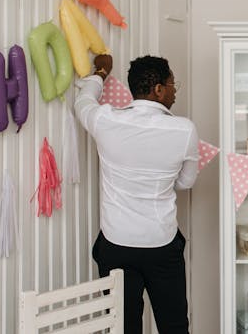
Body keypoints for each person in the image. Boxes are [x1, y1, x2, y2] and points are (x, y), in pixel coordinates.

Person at [74, 54, 199, 334]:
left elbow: (82, 102)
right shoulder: (184, 129)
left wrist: (101, 71)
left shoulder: (105, 120)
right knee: (174, 325)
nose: (174, 90)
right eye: (171, 84)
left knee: (123, 327)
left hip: (116, 243)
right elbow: (186, 183)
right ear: (157, 89)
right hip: (161, 242)